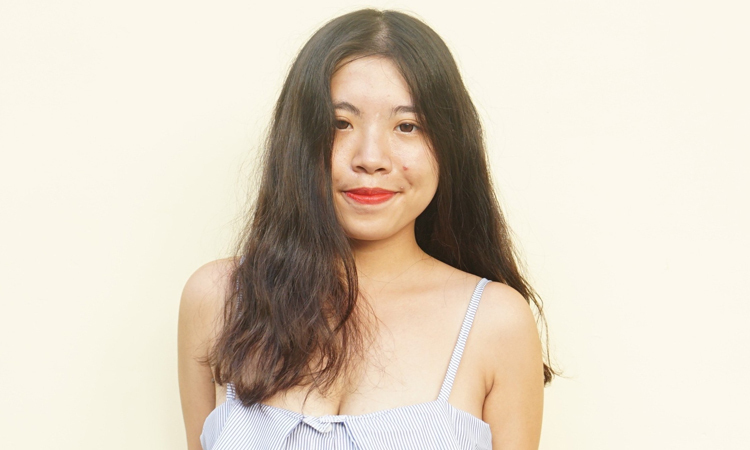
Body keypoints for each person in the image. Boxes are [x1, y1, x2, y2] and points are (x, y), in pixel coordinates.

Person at [178, 8, 553, 450]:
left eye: (407, 126)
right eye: (340, 123)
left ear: (450, 146)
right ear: (298, 140)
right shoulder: (219, 299)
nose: (371, 158)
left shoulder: (496, 321)